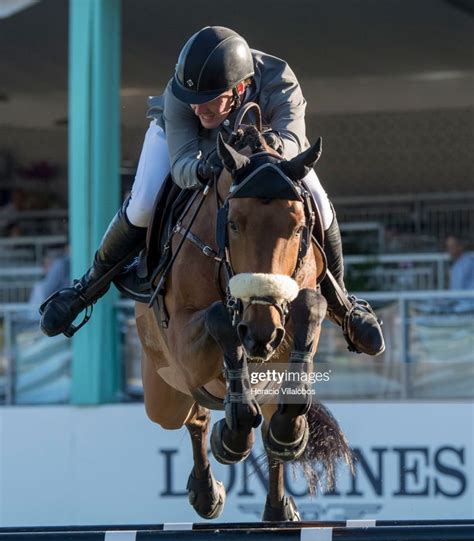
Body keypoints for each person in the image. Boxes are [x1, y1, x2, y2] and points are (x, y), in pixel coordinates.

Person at [39, 26, 384, 356]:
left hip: (272, 153)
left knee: (319, 202)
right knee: (142, 203)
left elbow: (293, 142)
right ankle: (86, 289)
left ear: (239, 89)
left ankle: (345, 305)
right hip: (193, 149)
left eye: (208, 100)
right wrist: (207, 167)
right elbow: (182, 165)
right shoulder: (180, 98)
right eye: (193, 99)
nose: (197, 108)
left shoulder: (280, 80)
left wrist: (263, 151)